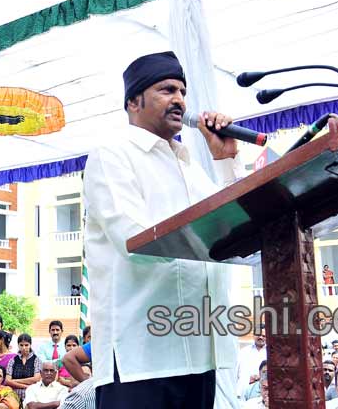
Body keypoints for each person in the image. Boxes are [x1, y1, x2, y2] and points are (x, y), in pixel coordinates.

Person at [83, 51, 240, 409]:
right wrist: (211, 238)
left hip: (201, 350)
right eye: (167, 90)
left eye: (183, 92)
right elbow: (134, 239)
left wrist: (226, 160)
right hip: (141, 356)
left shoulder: (191, 167)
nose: (180, 101)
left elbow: (236, 225)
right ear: (133, 101)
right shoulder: (112, 154)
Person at [5, 333, 41, 403]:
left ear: (30, 345)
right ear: (18, 345)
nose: (24, 347)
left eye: (26, 345)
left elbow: (36, 379)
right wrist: (25, 386)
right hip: (14, 395)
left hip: (31, 394)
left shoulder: (36, 359)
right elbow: (7, 381)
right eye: (21, 345)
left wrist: (14, 381)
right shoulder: (13, 360)